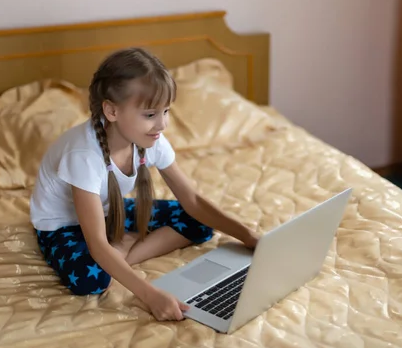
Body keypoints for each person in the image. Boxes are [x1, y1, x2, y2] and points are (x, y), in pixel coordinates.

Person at [29, 48, 261, 322]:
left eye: (166, 111)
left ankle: (123, 251)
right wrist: (151, 294)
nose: (161, 124)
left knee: (200, 222)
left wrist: (247, 236)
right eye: (150, 114)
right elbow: (97, 244)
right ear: (112, 110)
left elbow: (194, 202)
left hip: (107, 210)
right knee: (91, 279)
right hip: (63, 224)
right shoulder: (83, 155)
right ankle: (120, 253)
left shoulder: (151, 139)